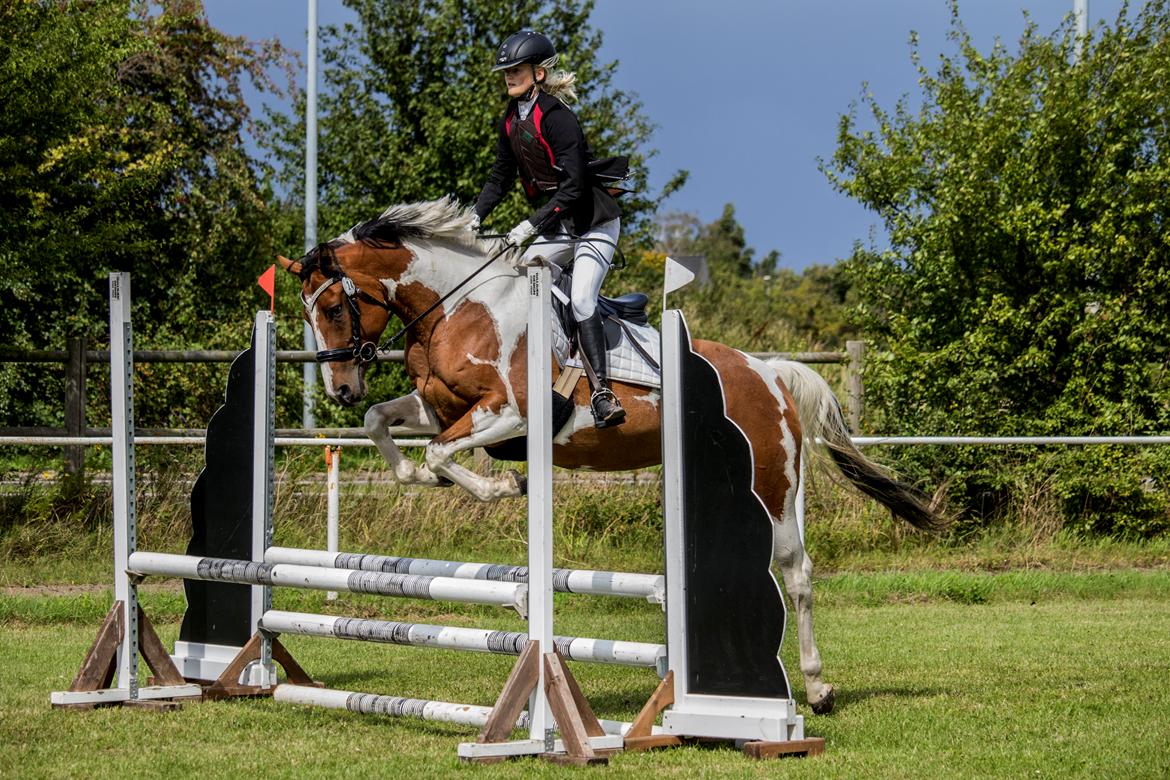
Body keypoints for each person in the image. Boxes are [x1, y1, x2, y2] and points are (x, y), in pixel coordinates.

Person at [472, 29, 626, 429]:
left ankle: (602, 393)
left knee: (582, 299)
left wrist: (530, 224)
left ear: (538, 74)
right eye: (506, 71)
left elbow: (574, 188)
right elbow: (500, 178)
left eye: (517, 69)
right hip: (559, 227)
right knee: (517, 279)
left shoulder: (558, 118)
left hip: (593, 224)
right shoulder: (511, 120)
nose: (509, 76)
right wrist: (473, 218)